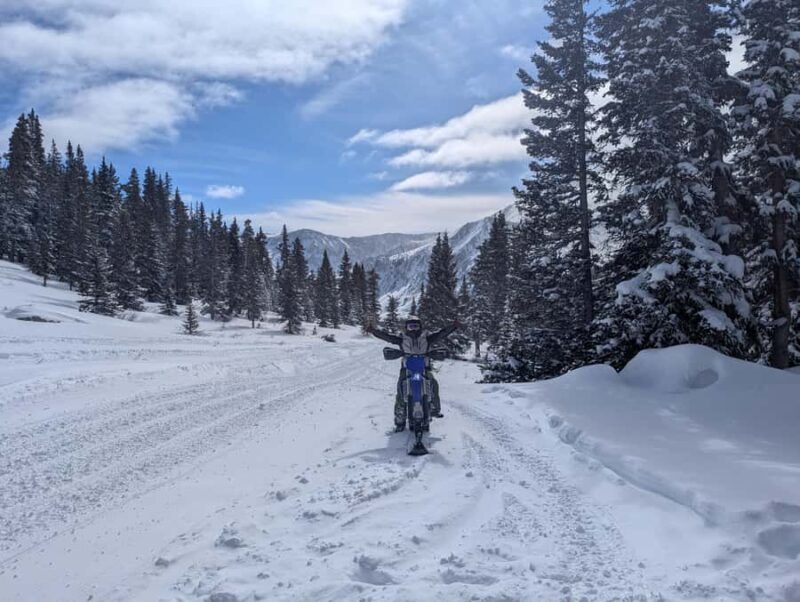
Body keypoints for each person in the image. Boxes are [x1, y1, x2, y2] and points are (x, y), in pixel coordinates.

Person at [366, 316, 459, 432]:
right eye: (410, 326)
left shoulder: (427, 338)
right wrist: (374, 331)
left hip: (423, 368)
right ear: (406, 328)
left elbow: (441, 334)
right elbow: (387, 337)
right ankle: (400, 419)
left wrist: (453, 327)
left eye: (416, 326)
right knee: (400, 390)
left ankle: (434, 408)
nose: (413, 329)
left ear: (420, 327)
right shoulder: (402, 339)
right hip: (407, 368)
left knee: (433, 384)